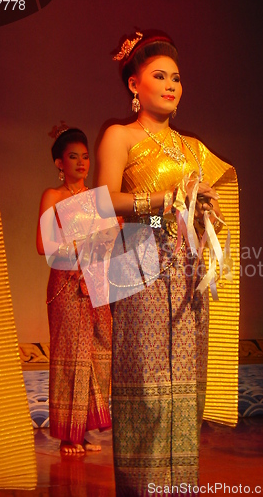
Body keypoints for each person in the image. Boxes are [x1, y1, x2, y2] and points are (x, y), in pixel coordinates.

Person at [96, 30, 240, 495]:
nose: (171, 84)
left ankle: (180, 487)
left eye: (176, 77)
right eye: (159, 75)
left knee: (186, 386)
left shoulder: (193, 146)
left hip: (187, 273)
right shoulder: (120, 136)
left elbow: (197, 206)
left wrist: (205, 211)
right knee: (148, 385)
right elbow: (101, 204)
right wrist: (162, 200)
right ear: (134, 85)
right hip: (140, 266)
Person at [36, 125, 112, 455]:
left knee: (97, 355)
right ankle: (68, 436)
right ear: (59, 163)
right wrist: (80, 244)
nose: (82, 163)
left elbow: (117, 236)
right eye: (73, 157)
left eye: (85, 157)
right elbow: (43, 245)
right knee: (72, 355)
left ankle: (82, 432)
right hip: (66, 284)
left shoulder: (98, 197)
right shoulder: (53, 197)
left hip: (96, 282)